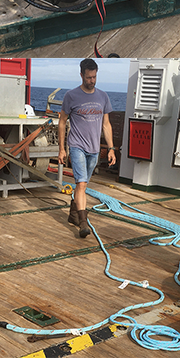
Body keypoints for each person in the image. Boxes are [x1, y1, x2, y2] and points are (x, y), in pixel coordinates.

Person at [58, 59, 116, 239]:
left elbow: (106, 125)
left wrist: (112, 148)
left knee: (83, 185)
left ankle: (73, 213)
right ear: (81, 75)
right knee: (81, 183)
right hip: (77, 146)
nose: (92, 80)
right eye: (89, 77)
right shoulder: (71, 96)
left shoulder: (103, 96)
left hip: (94, 148)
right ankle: (83, 222)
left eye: (95, 77)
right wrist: (62, 148)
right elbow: (62, 122)